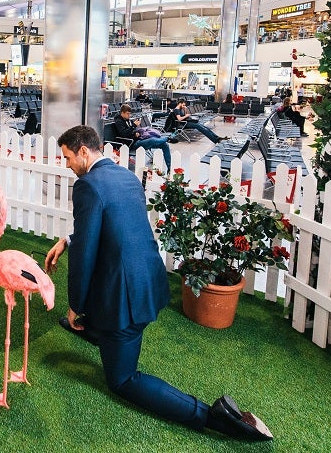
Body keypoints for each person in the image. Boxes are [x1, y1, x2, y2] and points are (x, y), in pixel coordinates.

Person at [44, 125, 273, 442]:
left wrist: (76, 306)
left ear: (84, 151)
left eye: (68, 157)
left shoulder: (87, 186)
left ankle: (215, 417)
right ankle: (97, 327)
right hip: (149, 284)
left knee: (122, 380)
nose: (66, 164)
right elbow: (113, 224)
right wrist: (67, 239)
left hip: (126, 297)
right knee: (104, 312)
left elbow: (85, 257)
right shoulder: (125, 175)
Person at [113, 104, 171, 173]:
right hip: (131, 143)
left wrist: (136, 133)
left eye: (130, 114)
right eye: (127, 114)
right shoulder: (119, 122)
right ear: (122, 113)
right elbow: (124, 134)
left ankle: (169, 168)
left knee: (165, 145)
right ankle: (167, 138)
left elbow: (131, 131)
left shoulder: (127, 120)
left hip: (136, 140)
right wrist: (134, 126)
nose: (129, 115)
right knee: (152, 140)